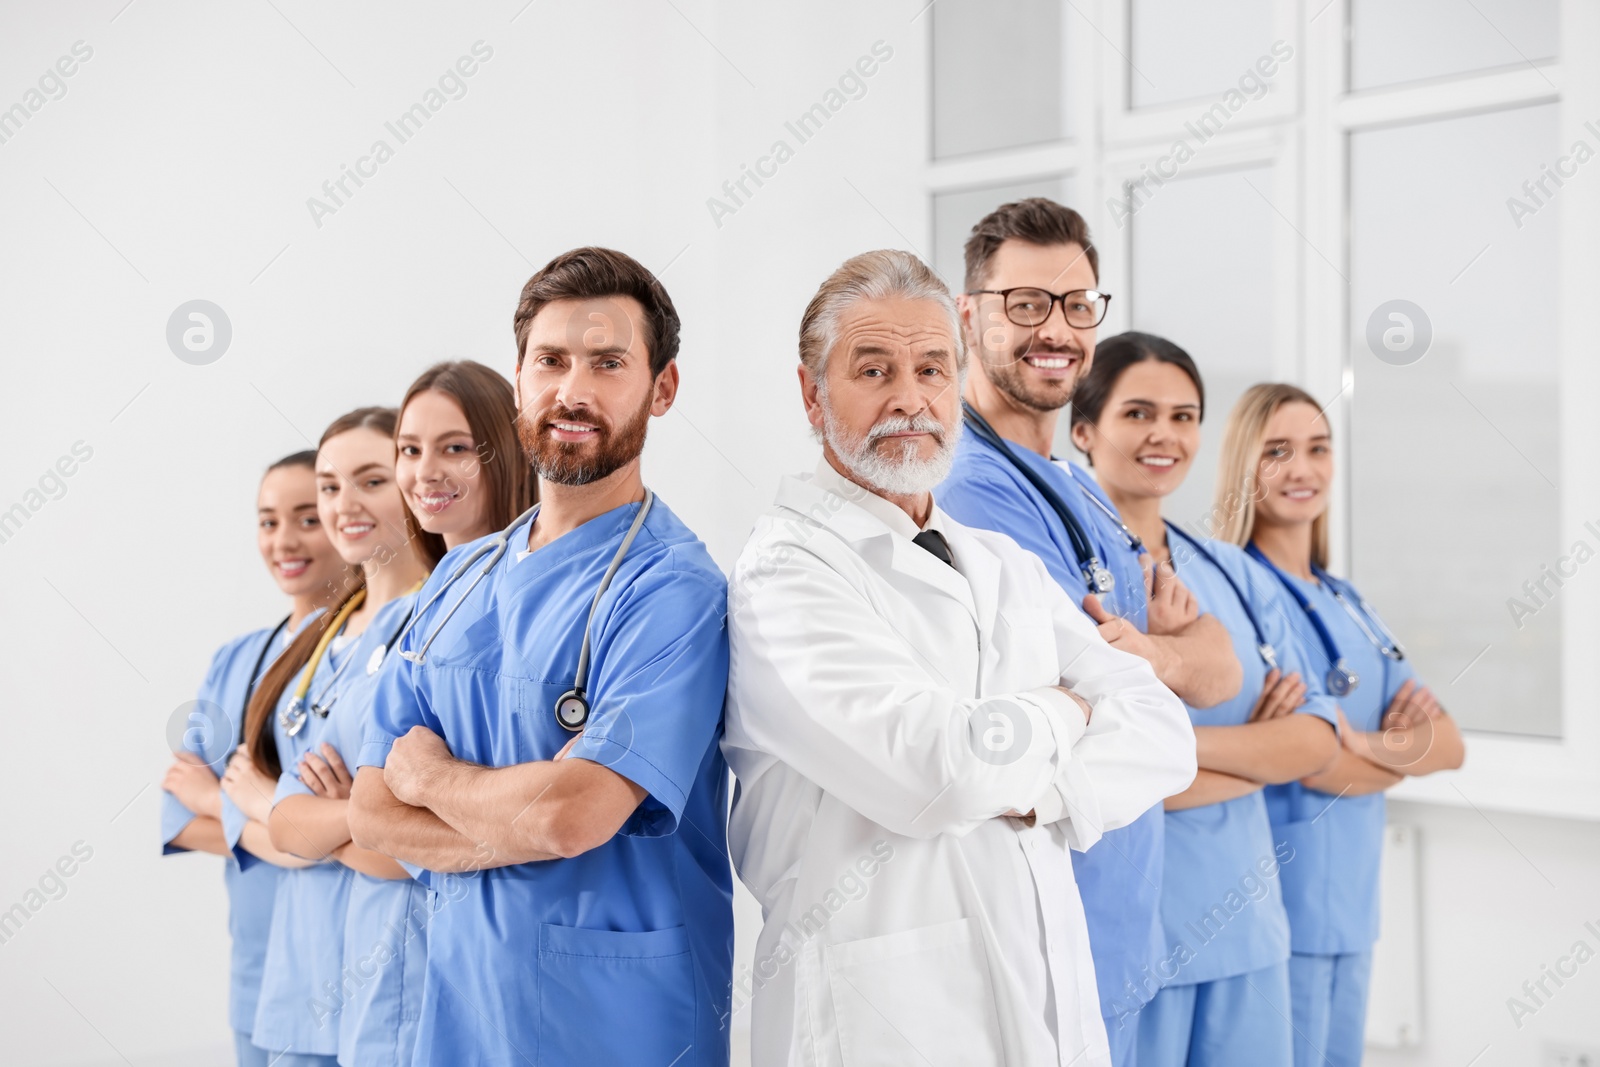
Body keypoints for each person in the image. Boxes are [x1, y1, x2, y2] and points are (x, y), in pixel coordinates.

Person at [723, 249, 1197, 1067]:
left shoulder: (998, 559)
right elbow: (943, 772)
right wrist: (1069, 708)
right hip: (879, 1021)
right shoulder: (785, 573)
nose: (910, 397)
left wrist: (1040, 789)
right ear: (812, 393)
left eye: (932, 367)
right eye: (873, 369)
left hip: (1041, 999)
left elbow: (1163, 730)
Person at [348, 247, 734, 1067]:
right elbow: (372, 816)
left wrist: (433, 783)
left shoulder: (671, 588)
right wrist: (514, 816)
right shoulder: (457, 576)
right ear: (519, 378)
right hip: (457, 1020)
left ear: (662, 389)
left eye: (609, 363)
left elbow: (573, 815)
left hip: (618, 1028)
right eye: (551, 361)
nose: (574, 391)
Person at [935, 198, 1240, 1059]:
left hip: (1118, 920)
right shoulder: (970, 487)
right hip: (1042, 929)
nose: (1056, 329)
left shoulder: (1075, 486)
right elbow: (1080, 683)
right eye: (1025, 304)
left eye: (1077, 304)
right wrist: (1157, 662)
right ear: (970, 314)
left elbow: (1218, 670)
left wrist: (1157, 657)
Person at [1064, 333, 1341, 1065]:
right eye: (1140, 412)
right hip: (1131, 940)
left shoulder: (1232, 571)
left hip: (1249, 928)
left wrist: (1170, 759)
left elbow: (1317, 739)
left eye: (1185, 416)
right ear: (1084, 429)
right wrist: (1260, 752)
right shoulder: (1064, 570)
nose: (1166, 434)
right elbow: (1086, 772)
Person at [1214, 382, 1465, 1067]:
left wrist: (1354, 741)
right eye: (1278, 451)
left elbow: (1449, 744)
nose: (1303, 469)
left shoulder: (1348, 600)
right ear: (1244, 464)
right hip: (1279, 903)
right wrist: (1386, 750)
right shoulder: (1242, 596)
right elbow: (1305, 760)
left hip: (1352, 905)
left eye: (1318, 449)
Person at [312, 361, 536, 1067]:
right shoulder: (422, 609)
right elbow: (374, 818)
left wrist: (394, 816)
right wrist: (374, 822)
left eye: (455, 447)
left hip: (494, 954)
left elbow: (551, 811)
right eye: (408, 449)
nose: (424, 470)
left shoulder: (531, 596)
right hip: (412, 964)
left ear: (506, 451)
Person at [225, 407, 431, 1067]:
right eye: (329, 485)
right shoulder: (318, 636)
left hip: (390, 977)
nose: (344, 504)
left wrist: (275, 807)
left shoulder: (439, 625)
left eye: (371, 480)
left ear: (410, 481)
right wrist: (314, 816)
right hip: (299, 980)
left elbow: (411, 835)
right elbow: (250, 796)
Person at [159, 450, 347, 1067]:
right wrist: (296, 833)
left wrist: (224, 801)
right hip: (258, 972)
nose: (284, 540)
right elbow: (177, 815)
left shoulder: (372, 653)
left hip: (343, 970)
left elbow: (364, 838)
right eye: (268, 521)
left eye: (306, 517)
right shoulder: (236, 659)